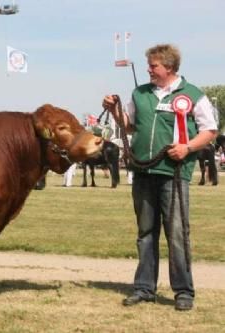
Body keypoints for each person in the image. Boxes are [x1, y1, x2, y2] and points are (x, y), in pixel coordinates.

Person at [102, 44, 218, 311]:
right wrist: (113, 109)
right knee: (145, 233)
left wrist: (187, 147)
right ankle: (144, 288)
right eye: (149, 65)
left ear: (169, 67)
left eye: (153, 66)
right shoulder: (140, 93)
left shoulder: (192, 95)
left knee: (177, 233)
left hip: (174, 175)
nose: (149, 70)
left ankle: (183, 292)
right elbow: (129, 125)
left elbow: (209, 130)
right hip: (143, 172)